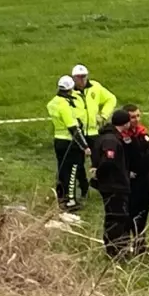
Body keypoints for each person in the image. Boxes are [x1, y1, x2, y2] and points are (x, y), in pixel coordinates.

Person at [89, 110, 133, 259]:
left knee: (113, 217)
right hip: (115, 185)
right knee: (117, 218)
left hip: (111, 184)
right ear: (126, 123)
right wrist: (99, 174)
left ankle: (113, 248)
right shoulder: (111, 140)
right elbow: (109, 161)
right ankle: (116, 250)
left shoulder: (105, 137)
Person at [71, 64, 116, 200]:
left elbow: (110, 99)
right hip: (78, 132)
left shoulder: (95, 87)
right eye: (79, 77)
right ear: (73, 78)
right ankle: (83, 188)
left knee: (100, 161)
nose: (82, 79)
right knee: (78, 163)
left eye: (84, 76)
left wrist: (103, 115)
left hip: (93, 132)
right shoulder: (70, 92)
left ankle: (103, 186)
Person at [47, 75, 90, 211]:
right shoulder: (64, 105)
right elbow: (73, 128)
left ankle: (60, 196)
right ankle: (70, 200)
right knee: (72, 170)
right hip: (69, 142)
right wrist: (85, 146)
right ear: (70, 88)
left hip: (58, 139)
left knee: (62, 169)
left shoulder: (53, 102)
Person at [123, 104, 149, 255]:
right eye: (132, 117)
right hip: (131, 180)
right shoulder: (122, 136)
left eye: (137, 116)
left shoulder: (143, 132)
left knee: (144, 209)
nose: (136, 120)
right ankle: (128, 241)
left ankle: (141, 241)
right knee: (131, 211)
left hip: (146, 178)